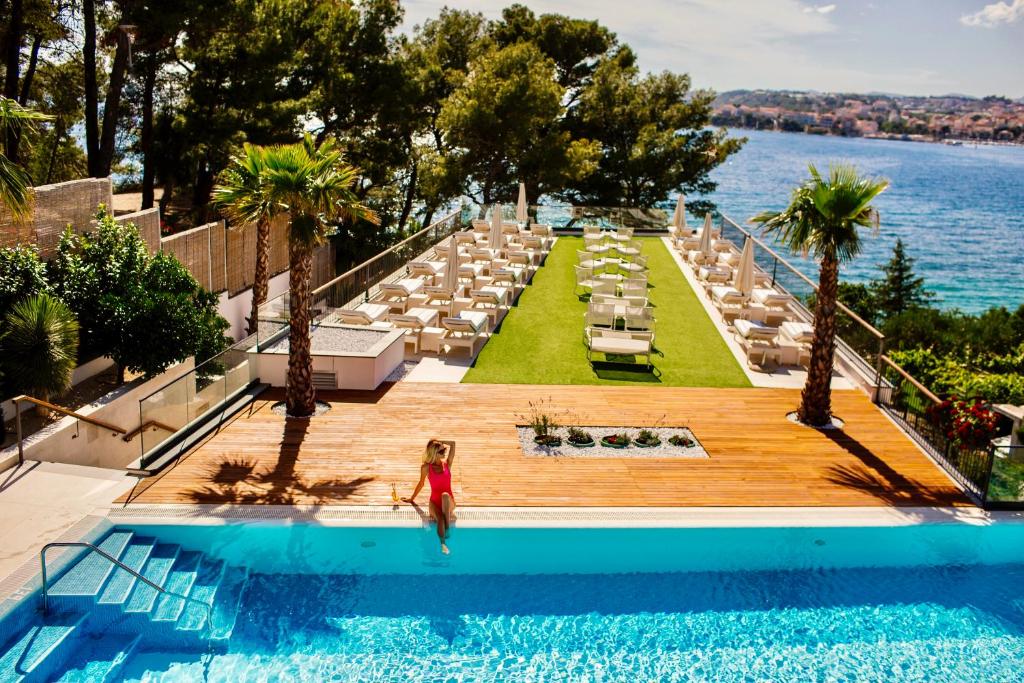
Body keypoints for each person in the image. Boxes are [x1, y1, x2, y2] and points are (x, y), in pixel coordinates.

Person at [402, 439, 456, 554]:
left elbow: (453, 443)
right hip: (434, 502)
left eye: (444, 449)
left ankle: (447, 527)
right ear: (435, 453)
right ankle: (443, 544)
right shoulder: (426, 468)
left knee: (445, 496)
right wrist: (411, 499)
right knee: (439, 518)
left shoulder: (447, 464)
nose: (445, 452)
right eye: (442, 450)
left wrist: (440, 441)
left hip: (448, 502)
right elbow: (421, 484)